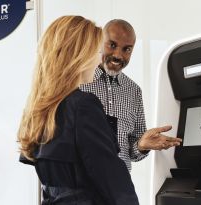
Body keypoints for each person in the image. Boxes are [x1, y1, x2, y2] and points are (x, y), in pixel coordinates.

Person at [17, 16, 139, 205]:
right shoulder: (83, 106)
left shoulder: (40, 109)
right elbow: (115, 186)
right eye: (97, 50)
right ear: (80, 55)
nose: (100, 58)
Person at [80, 19, 182, 171]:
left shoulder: (134, 91)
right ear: (100, 41)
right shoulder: (78, 81)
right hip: (81, 187)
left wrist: (141, 146)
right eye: (112, 45)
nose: (118, 55)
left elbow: (131, 153)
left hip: (120, 189)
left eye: (127, 49)